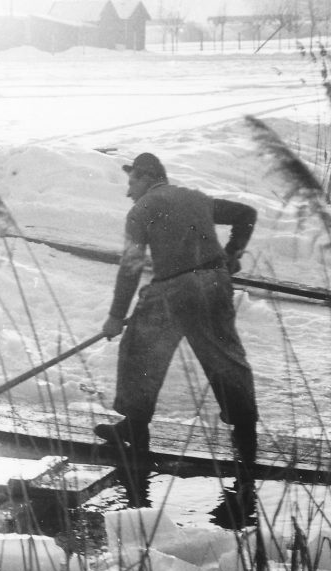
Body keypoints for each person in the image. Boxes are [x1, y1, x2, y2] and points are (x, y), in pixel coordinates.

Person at [95, 152, 259, 485]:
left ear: (146, 177)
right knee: (226, 358)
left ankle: (135, 430)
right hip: (216, 283)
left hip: (175, 288)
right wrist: (231, 255)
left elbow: (131, 267)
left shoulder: (141, 210)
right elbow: (246, 214)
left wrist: (116, 316)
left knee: (138, 350)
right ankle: (246, 438)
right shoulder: (196, 198)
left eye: (131, 182)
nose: (128, 191)